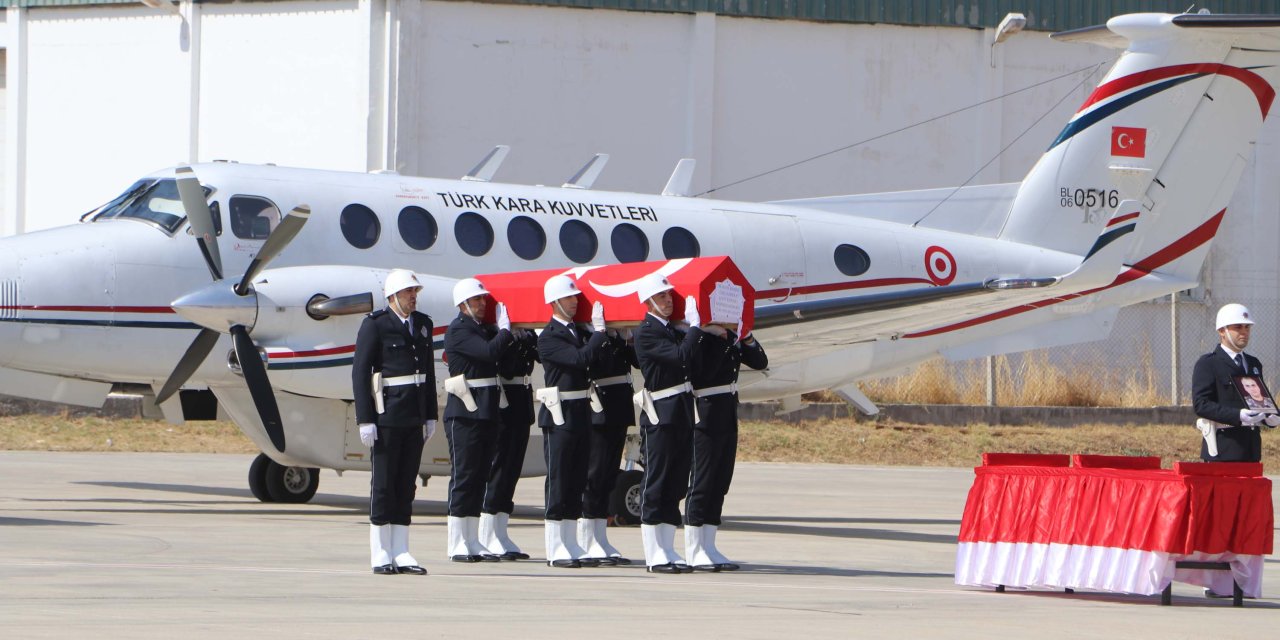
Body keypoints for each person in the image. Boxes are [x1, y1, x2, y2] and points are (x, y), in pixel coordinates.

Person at [631, 273, 724, 573]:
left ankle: (668, 548)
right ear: (647, 302)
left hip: (682, 410)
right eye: (661, 297)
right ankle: (653, 551)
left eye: (670, 295)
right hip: (661, 411)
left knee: (675, 482)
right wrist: (695, 329)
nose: (668, 300)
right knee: (656, 481)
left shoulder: (672, 330)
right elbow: (682, 358)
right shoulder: (646, 332)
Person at [352, 269, 436, 575]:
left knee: (406, 485)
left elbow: (426, 372)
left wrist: (429, 415)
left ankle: (401, 550)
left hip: (413, 417)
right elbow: (360, 373)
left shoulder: (423, 324)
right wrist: (365, 419)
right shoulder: (376, 326)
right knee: (384, 485)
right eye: (408, 292)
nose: (413, 296)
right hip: (387, 417)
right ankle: (381, 552)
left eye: (415, 291)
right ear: (392, 297)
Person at [535, 275, 609, 568]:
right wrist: (599, 335)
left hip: (581, 410)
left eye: (576, 296)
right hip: (560, 412)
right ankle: (556, 547)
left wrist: (598, 335)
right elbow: (580, 360)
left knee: (578, 478)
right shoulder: (549, 336)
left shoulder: (578, 332)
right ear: (554, 302)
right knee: (559, 478)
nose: (575, 301)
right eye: (569, 298)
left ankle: (571, 543)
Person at [443, 277, 515, 562]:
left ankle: (472, 540)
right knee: (464, 476)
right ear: (463, 305)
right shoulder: (460, 331)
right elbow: (488, 353)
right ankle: (456, 541)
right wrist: (505, 332)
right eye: (476, 301)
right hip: (466, 414)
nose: (482, 304)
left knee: (480, 477)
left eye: (483, 300)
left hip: (486, 411)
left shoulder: (483, 329)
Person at [685, 325, 768, 571]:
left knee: (720, 482)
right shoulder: (701, 339)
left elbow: (760, 361)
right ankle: (694, 548)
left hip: (727, 412)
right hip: (707, 412)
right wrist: (722, 338)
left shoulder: (732, 339)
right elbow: (705, 371)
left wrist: (747, 337)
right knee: (702, 481)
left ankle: (709, 545)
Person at [478, 328, 539, 560]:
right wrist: (508, 335)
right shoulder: (495, 332)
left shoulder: (527, 333)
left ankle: (500, 531)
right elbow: (499, 362)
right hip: (504, 399)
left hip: (522, 398)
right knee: (499, 467)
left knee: (512, 468)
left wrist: (528, 337)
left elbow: (540, 355)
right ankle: (487, 532)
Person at [1191, 302, 1278, 464]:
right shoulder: (1209, 363)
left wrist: (1271, 416)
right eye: (1238, 327)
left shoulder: (1253, 363)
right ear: (1222, 331)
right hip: (1224, 450)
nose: (1244, 332)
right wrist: (1237, 415)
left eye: (1247, 327)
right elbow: (1201, 404)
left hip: (1251, 450)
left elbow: (1259, 399)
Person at [579, 328, 638, 566]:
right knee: (595, 476)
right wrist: (600, 334)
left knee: (608, 477)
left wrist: (627, 338)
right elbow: (587, 361)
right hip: (599, 410)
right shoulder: (585, 334)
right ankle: (586, 539)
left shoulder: (616, 336)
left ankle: (599, 537)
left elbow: (637, 361)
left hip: (618, 408)